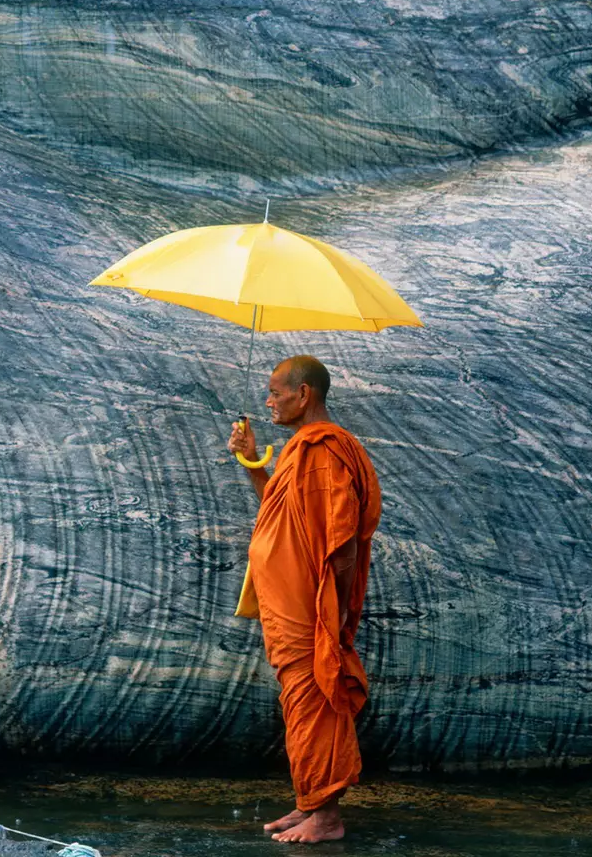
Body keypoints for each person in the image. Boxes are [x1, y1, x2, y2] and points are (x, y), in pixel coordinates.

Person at [228, 355, 382, 844]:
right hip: (290, 602)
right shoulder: (300, 450)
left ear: (304, 394)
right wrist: (251, 461)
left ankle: (328, 817)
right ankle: (308, 802)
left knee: (315, 699)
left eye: (275, 392)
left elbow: (342, 543)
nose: (268, 401)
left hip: (310, 607)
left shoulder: (324, 450)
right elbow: (282, 513)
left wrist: (330, 614)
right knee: (300, 701)